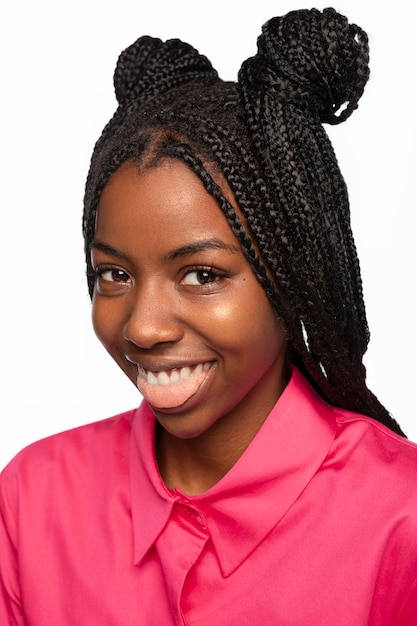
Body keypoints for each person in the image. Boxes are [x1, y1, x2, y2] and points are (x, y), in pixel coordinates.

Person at [1, 7, 417, 624]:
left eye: (202, 275)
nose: (142, 326)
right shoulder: (32, 499)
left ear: (292, 278)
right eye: (114, 274)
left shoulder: (401, 521)